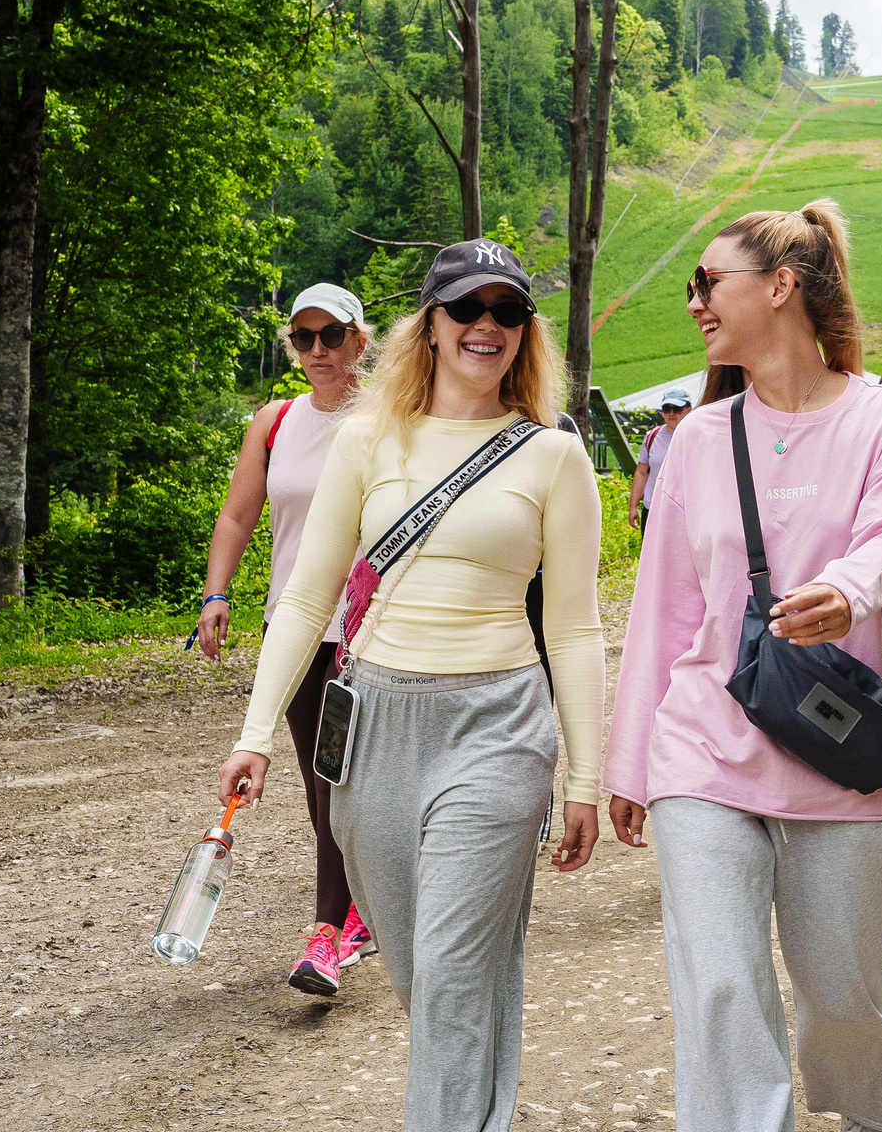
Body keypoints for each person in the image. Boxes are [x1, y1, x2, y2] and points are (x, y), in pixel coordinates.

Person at [217, 239, 605, 1132]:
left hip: (498, 725)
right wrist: (255, 732)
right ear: (429, 325)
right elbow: (306, 596)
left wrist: (586, 776)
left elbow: (575, 627)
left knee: (456, 968)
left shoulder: (554, 456)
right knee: (422, 973)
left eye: (508, 311)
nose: (486, 325)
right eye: (466, 307)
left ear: (526, 331)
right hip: (378, 724)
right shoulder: (368, 438)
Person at [603, 200, 882, 1132]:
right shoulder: (699, 440)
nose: (695, 303)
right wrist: (630, 765)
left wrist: (848, 591)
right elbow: (664, 612)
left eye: (709, 282)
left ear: (781, 285)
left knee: (843, 995)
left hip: (836, 746)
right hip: (703, 748)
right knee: (718, 986)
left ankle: (880, 1116)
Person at [193, 282, 376, 996]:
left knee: (349, 781)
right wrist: (216, 594)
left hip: (371, 632)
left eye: (332, 335)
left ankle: (330, 931)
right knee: (321, 779)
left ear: (360, 339)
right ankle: (354, 915)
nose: (318, 350)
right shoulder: (275, 422)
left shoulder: (391, 417)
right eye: (304, 338)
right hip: (295, 629)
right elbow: (237, 515)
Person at [628, 386, 691, 531]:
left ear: (688, 409)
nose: (671, 413)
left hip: (684, 512)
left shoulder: (696, 436)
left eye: (677, 409)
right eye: (666, 409)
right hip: (652, 509)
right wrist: (633, 506)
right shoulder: (652, 436)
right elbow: (641, 472)